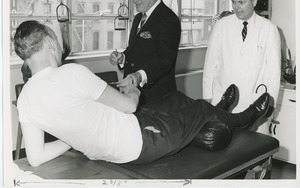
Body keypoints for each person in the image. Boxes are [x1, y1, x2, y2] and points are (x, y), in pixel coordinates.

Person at [14, 20, 273, 167]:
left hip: (121, 135)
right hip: (138, 143)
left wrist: (72, 138)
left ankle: (221, 109)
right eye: (57, 41)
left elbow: (35, 157)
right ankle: (244, 118)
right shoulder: (70, 73)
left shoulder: (26, 97)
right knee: (198, 109)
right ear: (48, 43)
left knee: (176, 99)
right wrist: (134, 90)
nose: (60, 47)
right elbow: (128, 106)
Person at [202, 0, 281, 131]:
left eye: (241, 2)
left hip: (254, 101)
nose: (236, 7)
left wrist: (271, 104)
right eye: (233, 2)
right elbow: (210, 63)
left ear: (254, 2)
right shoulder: (221, 25)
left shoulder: (269, 29)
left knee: (253, 149)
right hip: (223, 100)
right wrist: (208, 96)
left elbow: (274, 72)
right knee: (224, 146)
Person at [109, 0, 181, 106]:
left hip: (157, 98)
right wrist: (122, 57)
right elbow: (135, 50)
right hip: (133, 95)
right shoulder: (138, 18)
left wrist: (139, 75)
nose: (134, 0)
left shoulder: (169, 19)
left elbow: (164, 59)